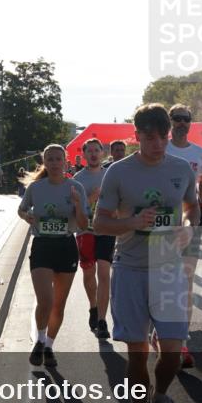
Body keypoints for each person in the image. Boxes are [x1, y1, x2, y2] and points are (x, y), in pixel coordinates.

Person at [94, 103, 199, 403]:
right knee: (137, 353)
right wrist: (132, 224)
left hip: (169, 269)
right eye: (150, 137)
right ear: (136, 136)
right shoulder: (119, 173)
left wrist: (188, 228)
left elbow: (192, 206)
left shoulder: (181, 168)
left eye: (163, 137)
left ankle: (161, 395)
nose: (158, 144)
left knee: (172, 354)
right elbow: (100, 223)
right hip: (131, 269)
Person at [19, 144, 88, 368]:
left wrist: (78, 205)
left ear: (66, 163)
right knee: (45, 300)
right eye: (50, 159)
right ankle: (38, 340)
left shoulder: (76, 187)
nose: (55, 163)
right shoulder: (36, 188)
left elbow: (84, 225)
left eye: (59, 159)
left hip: (66, 246)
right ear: (44, 162)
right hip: (42, 246)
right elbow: (21, 209)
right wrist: (27, 216)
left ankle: (49, 346)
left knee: (58, 305)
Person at [165, 104, 202, 369]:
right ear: (170, 122)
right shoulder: (161, 148)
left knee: (187, 281)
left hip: (189, 223)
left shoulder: (199, 153)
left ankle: (181, 338)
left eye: (186, 119)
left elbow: (200, 184)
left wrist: (201, 205)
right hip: (161, 225)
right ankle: (159, 328)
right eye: (177, 119)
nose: (182, 123)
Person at [73, 139, 115, 339]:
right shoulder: (78, 178)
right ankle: (93, 306)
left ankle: (102, 319)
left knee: (104, 273)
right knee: (89, 273)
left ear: (102, 153)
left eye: (96, 150)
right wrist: (90, 198)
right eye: (89, 151)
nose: (93, 154)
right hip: (85, 230)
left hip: (106, 230)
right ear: (84, 155)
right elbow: (73, 210)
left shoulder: (110, 175)